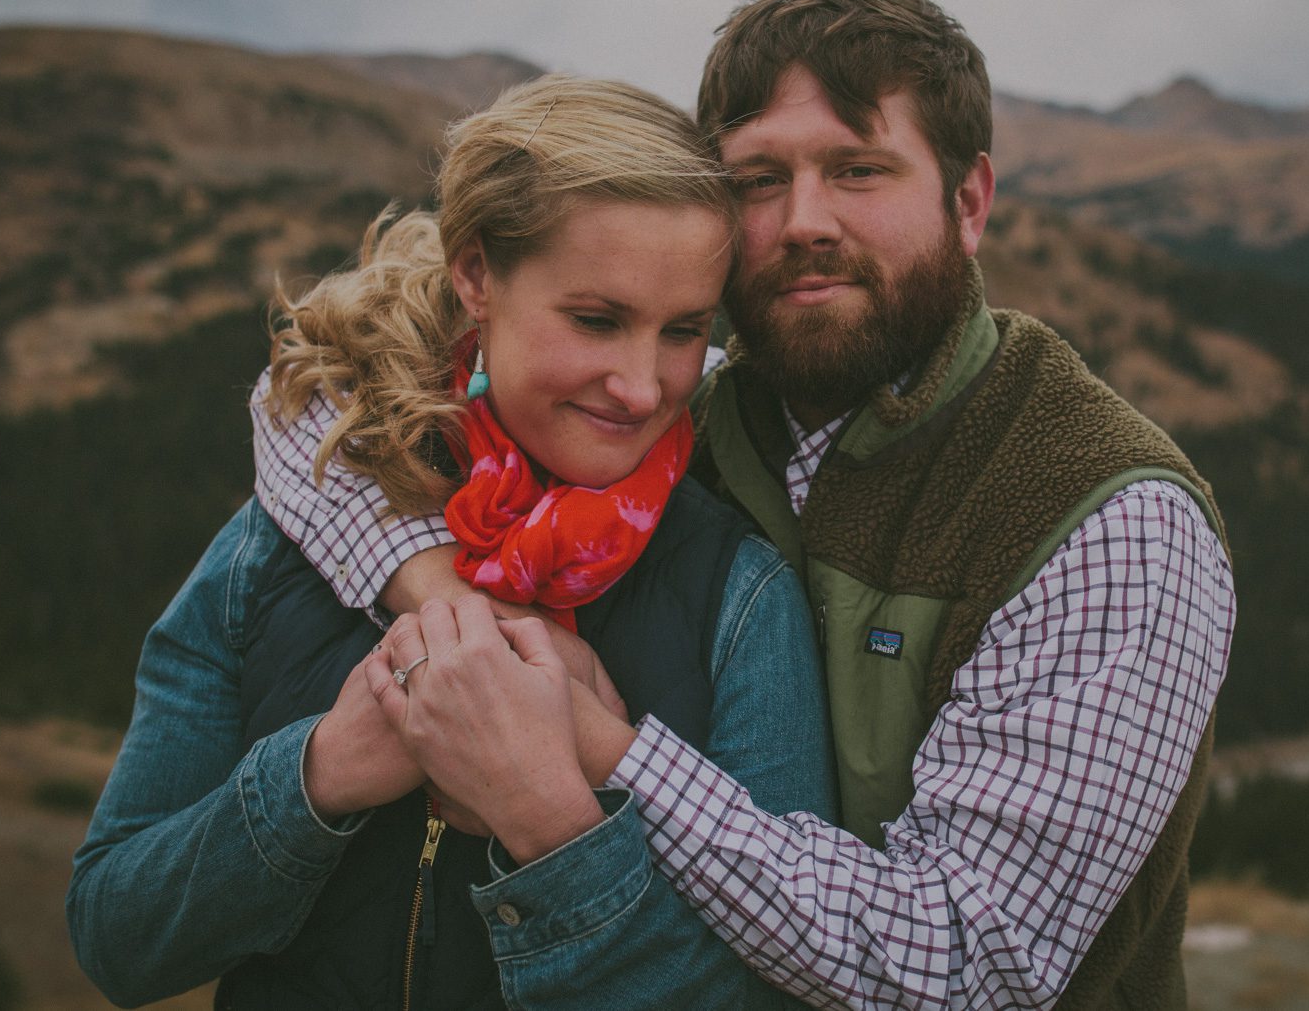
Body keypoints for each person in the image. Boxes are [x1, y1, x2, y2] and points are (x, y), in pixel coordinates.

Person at [258, 0, 1238, 1009]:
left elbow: (967, 964)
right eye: (759, 180)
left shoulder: (1107, 513)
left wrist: (599, 751)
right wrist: (446, 602)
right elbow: (304, 398)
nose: (804, 221)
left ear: (968, 201)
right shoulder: (681, 416)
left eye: (859, 170)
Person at [67, 75, 837, 1009]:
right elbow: (115, 933)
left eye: (682, 331)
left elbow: (786, 989)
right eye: (595, 319)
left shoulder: (739, 593)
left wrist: (550, 826)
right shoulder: (289, 535)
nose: (640, 387)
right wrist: (324, 773)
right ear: (476, 275)